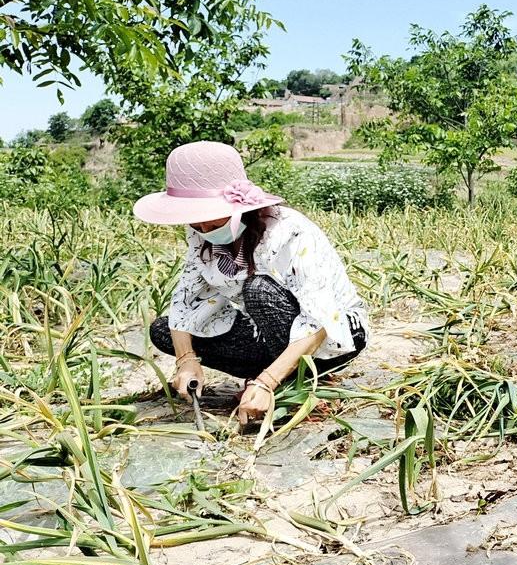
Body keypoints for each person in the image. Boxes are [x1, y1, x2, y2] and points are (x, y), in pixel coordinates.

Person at [133, 141, 368, 426]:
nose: (204, 231)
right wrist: (186, 360)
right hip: (268, 330)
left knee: (259, 291)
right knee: (164, 331)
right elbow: (188, 297)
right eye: (197, 224)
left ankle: (297, 379)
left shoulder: (288, 232)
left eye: (211, 221)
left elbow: (320, 318)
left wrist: (266, 382)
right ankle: (280, 377)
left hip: (332, 335)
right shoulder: (200, 233)